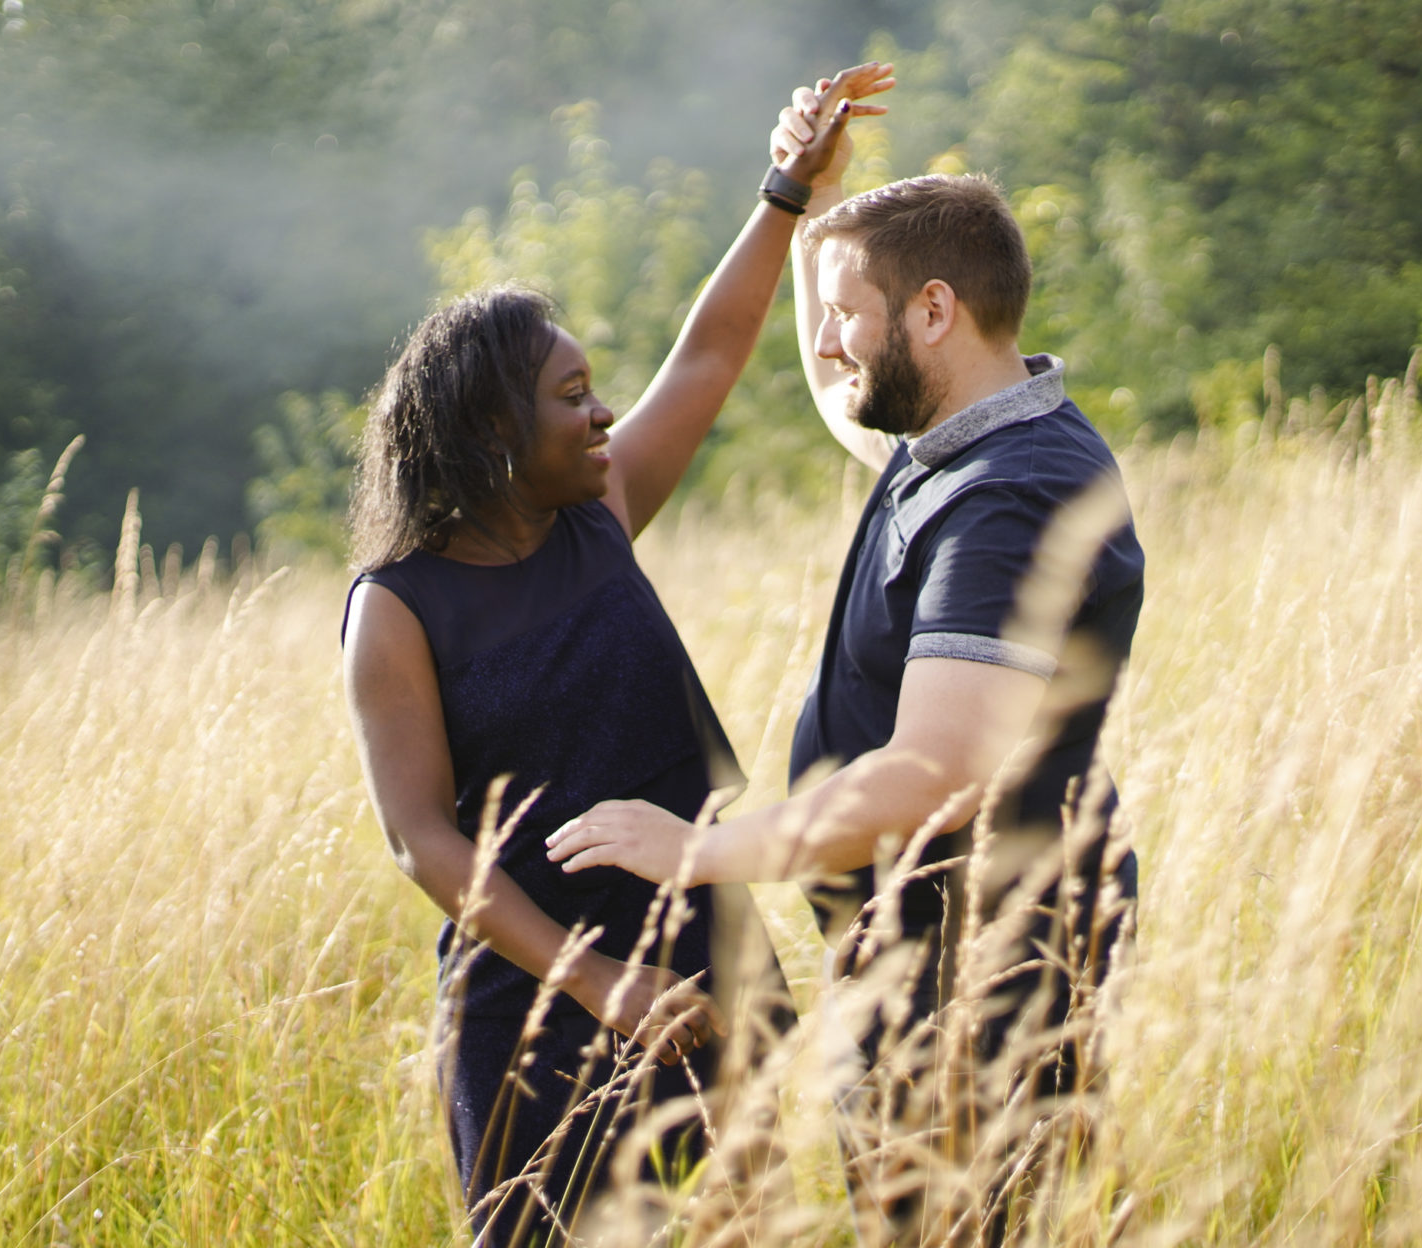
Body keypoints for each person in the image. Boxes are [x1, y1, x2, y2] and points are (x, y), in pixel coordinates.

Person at [545, 75, 1144, 1241]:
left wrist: (704, 851)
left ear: (932, 312)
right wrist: (807, 201)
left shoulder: (1009, 500)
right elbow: (838, 382)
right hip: (921, 953)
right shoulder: (951, 428)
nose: (820, 343)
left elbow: (933, 772)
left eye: (844, 312)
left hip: (986, 971)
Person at [340, 65, 895, 1247]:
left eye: (597, 393)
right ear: (495, 433)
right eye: (574, 394)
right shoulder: (398, 608)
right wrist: (596, 982)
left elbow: (708, 354)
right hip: (534, 996)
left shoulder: (601, 513)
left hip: (704, 951)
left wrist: (788, 190)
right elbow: (420, 837)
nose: (602, 416)